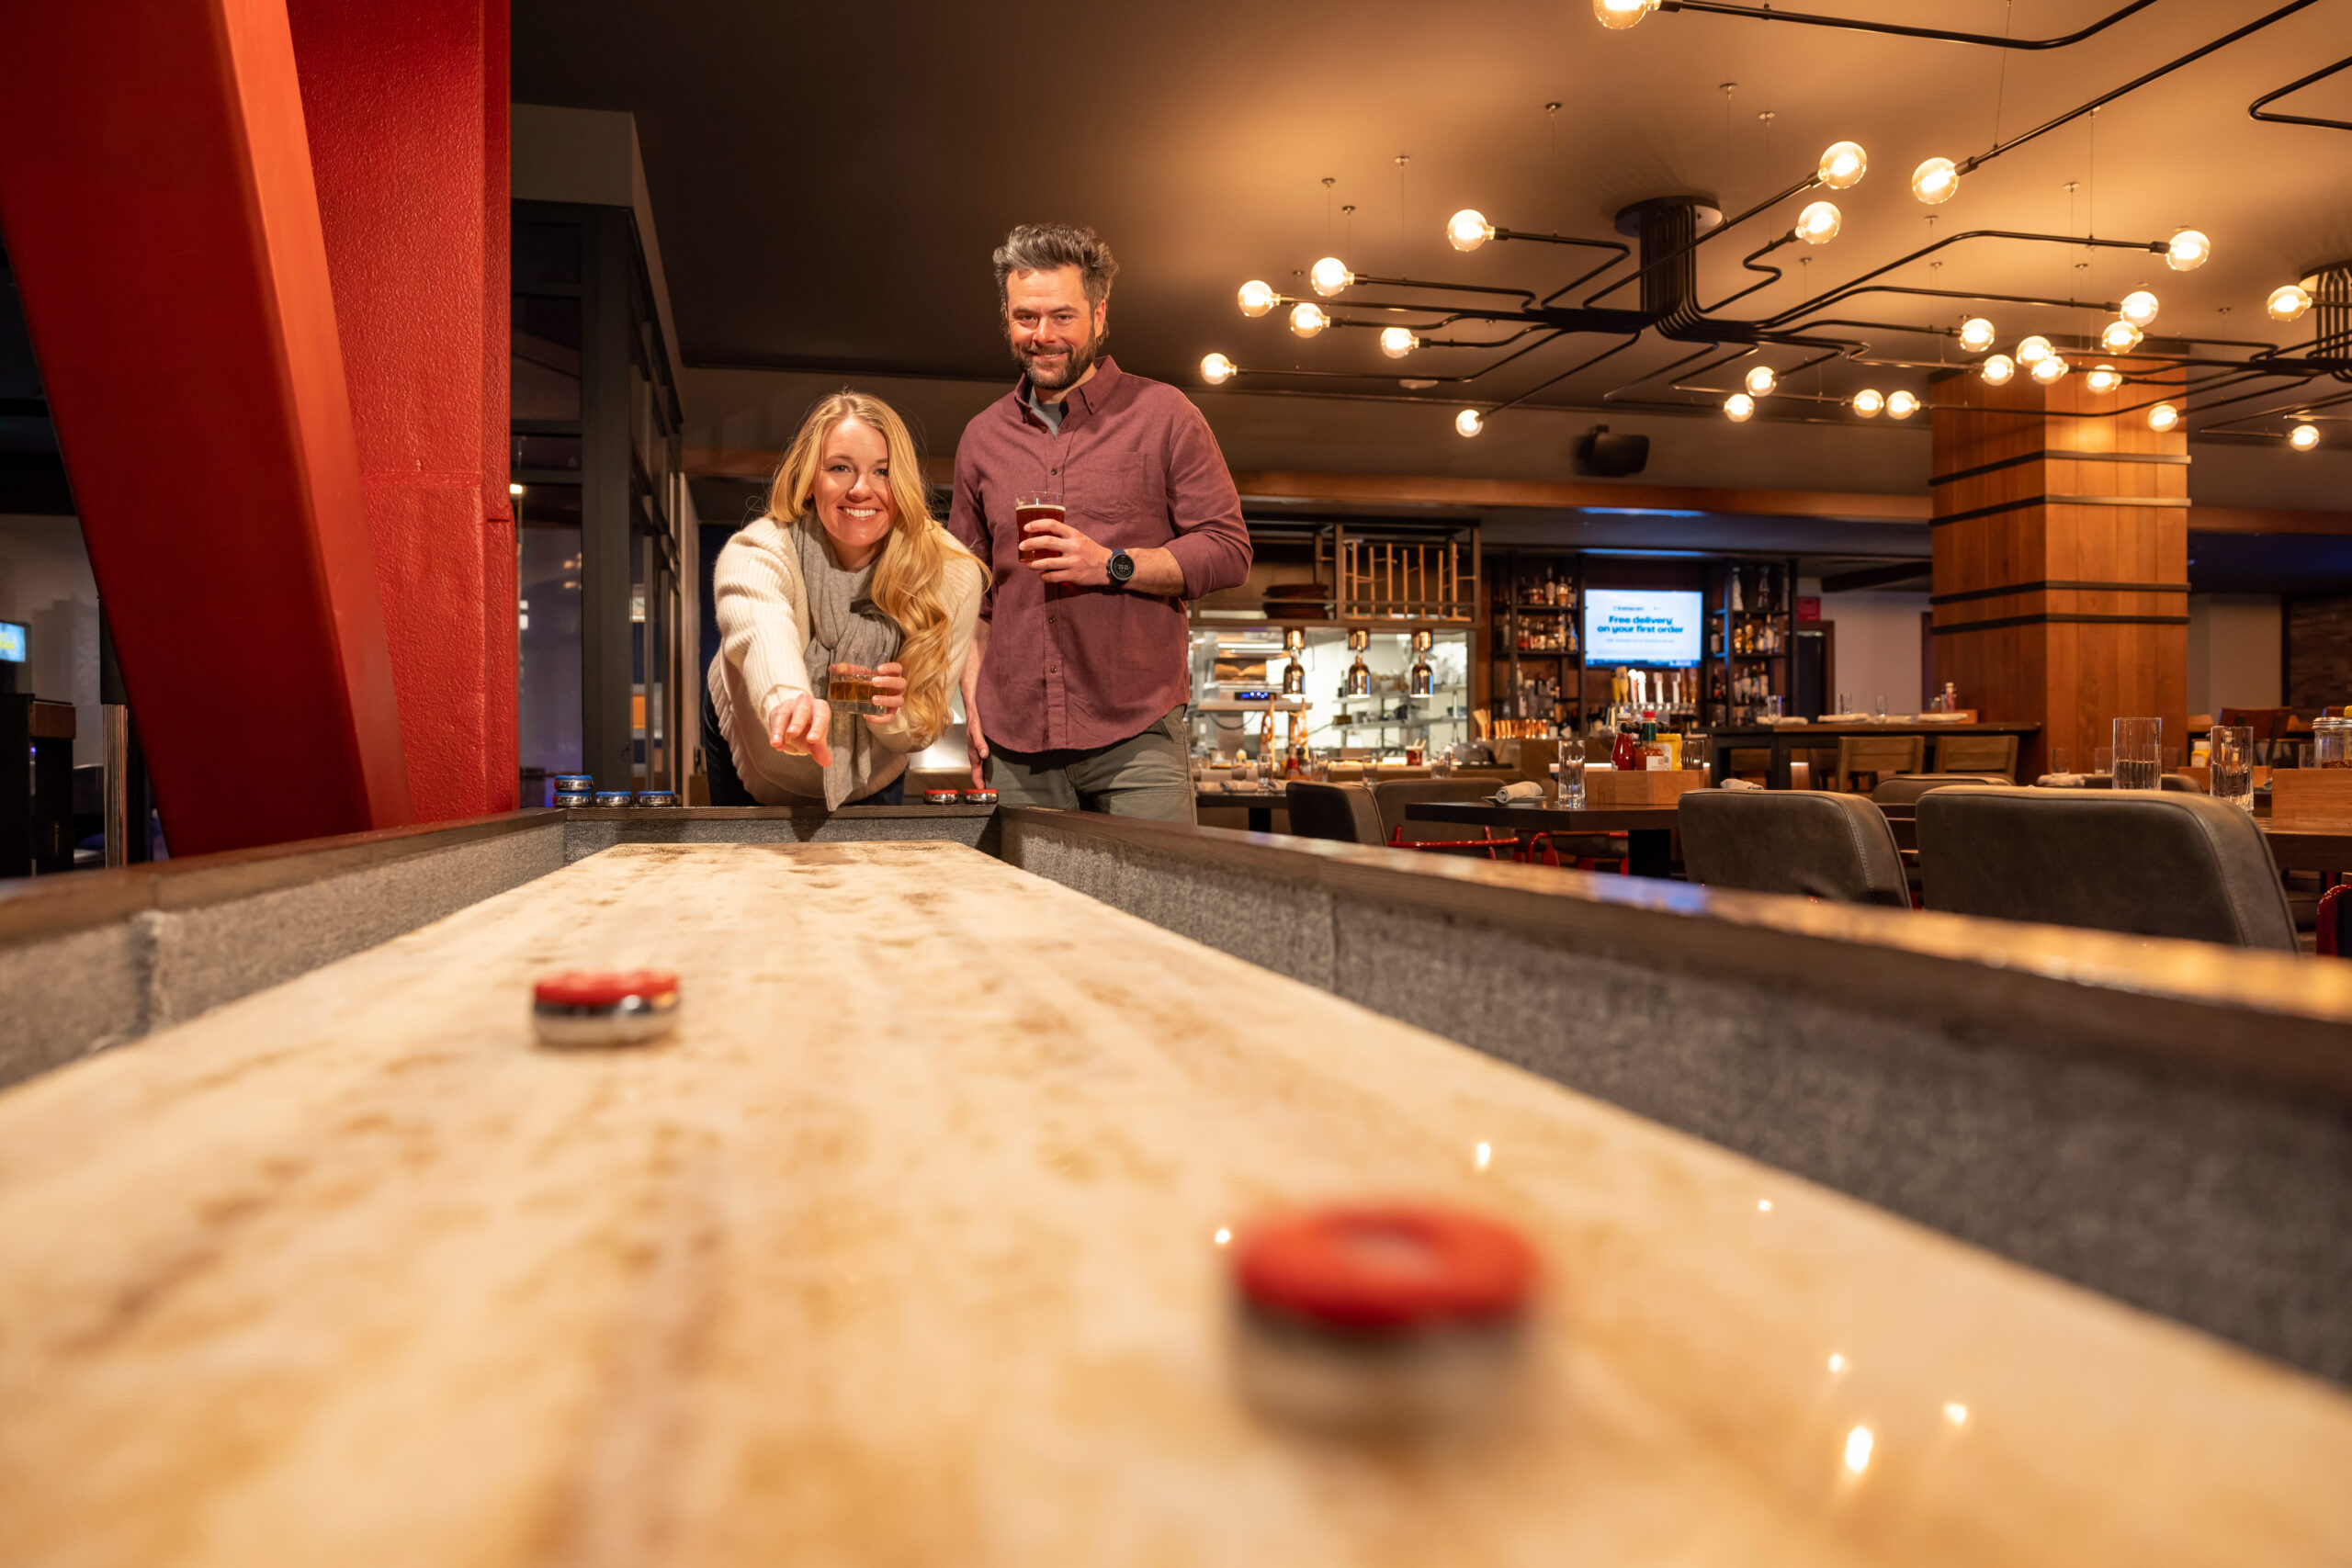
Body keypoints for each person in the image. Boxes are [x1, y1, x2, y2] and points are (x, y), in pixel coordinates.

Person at [948, 222, 1251, 820]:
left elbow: (1228, 550)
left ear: (1099, 315)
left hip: (1137, 738)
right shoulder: (981, 439)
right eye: (1026, 317)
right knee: (1024, 890)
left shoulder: (1165, 415)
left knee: (1155, 885)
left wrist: (1111, 564)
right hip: (1016, 745)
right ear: (1007, 316)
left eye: (1062, 316)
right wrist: (972, 701)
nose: (1043, 335)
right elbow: (969, 597)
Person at [705, 390, 986, 808]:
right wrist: (788, 702)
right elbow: (763, 633)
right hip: (756, 749)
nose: (861, 489)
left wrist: (892, 713)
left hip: (874, 770)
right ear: (808, 481)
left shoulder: (951, 572)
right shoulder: (757, 552)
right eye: (840, 468)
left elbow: (924, 723)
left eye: (883, 472)